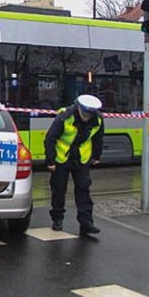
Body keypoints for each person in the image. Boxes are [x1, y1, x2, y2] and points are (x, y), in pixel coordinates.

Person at [44, 94, 104, 236]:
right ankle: (57, 219)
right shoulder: (65, 117)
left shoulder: (98, 120)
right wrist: (50, 161)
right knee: (58, 189)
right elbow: (50, 139)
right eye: (84, 113)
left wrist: (96, 156)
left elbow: (98, 139)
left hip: (81, 158)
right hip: (62, 157)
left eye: (90, 114)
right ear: (78, 108)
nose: (87, 117)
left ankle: (86, 222)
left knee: (83, 189)